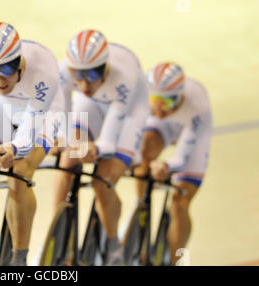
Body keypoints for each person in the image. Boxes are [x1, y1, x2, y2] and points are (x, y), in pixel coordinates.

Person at [50, 29, 150, 265]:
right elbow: (60, 116)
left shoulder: (123, 75)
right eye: (79, 75)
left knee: (102, 181)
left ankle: (114, 244)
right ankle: (57, 236)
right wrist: (64, 141)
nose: (84, 83)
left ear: (105, 67)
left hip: (128, 112)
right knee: (67, 162)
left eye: (92, 74)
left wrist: (93, 149)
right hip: (92, 103)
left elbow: (107, 140)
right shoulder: (65, 71)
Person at [0, 22, 62, 266]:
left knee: (19, 175)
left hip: (43, 110)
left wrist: (13, 148)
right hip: (3, 107)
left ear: (19, 62)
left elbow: (28, 132)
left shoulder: (44, 71)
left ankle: (18, 259)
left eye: (6, 69)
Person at [133, 62, 212, 265]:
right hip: (164, 126)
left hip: (193, 133)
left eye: (166, 101)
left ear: (179, 96)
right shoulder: (145, 99)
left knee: (179, 202)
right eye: (155, 101)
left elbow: (183, 157)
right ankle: (140, 207)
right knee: (144, 151)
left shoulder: (197, 107)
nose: (159, 108)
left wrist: (166, 166)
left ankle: (175, 261)